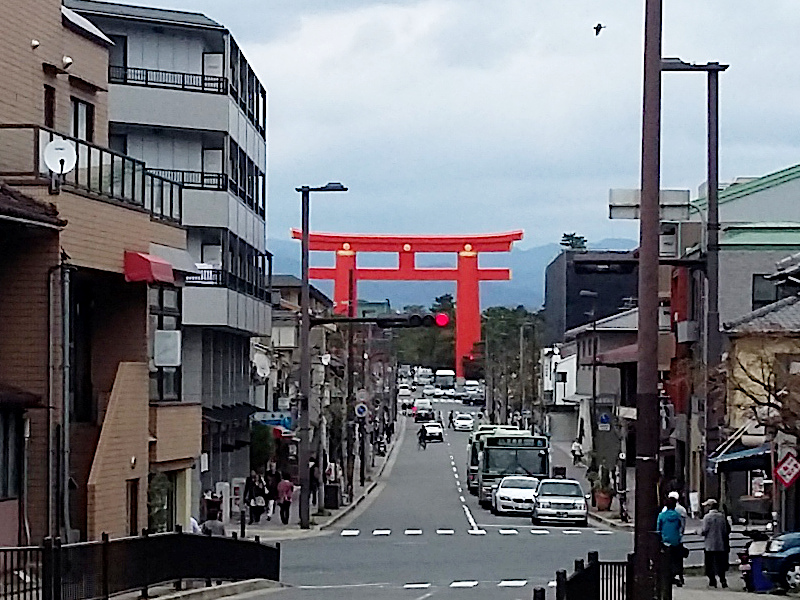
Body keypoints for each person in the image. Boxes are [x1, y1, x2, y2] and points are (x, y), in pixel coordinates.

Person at [701, 498, 730, 588]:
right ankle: (723, 580)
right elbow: (726, 530)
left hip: (710, 545)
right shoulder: (721, 517)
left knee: (710, 564)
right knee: (720, 564)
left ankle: (712, 581)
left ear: (710, 507)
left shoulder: (707, 517)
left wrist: (698, 532)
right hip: (721, 544)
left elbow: (704, 530)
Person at [656, 496, 685, 586]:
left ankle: (667, 577)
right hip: (676, 541)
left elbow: (658, 528)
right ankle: (678, 576)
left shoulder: (662, 516)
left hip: (665, 541)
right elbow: (681, 527)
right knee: (677, 560)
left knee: (665, 560)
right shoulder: (678, 516)